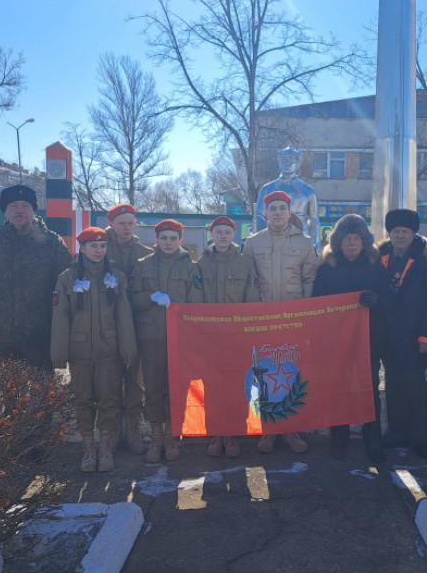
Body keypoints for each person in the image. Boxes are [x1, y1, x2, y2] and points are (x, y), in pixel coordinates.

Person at [51, 227, 138, 473]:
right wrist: (58, 355)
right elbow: (60, 318)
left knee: (110, 400)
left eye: (102, 246)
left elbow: (124, 317)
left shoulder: (116, 277)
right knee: (82, 400)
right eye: (93, 246)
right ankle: (89, 448)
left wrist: (128, 350)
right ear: (82, 248)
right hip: (79, 353)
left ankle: (106, 448)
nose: (98, 251)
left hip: (109, 351)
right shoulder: (67, 278)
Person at [242, 190, 320, 453]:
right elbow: (245, 280)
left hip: (292, 321)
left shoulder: (305, 243)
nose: (277, 212)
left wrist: (307, 312)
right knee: (262, 374)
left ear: (290, 212)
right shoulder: (252, 243)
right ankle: (268, 430)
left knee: (290, 373)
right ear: (265, 213)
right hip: (261, 321)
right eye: (272, 208)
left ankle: (291, 430)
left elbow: (310, 278)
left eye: (281, 208)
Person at [312, 214, 392, 463]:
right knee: (338, 391)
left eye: (357, 238)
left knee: (369, 391)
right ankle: (340, 439)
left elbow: (391, 302)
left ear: (364, 241)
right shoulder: (327, 269)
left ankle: (373, 441)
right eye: (347, 238)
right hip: (336, 343)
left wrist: (377, 301)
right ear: (339, 242)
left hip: (368, 340)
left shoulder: (375, 266)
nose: (352, 244)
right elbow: (317, 305)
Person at [0, 184, 71, 371]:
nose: (20, 210)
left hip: (42, 335)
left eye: (25, 205)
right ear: (5, 211)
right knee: (10, 393)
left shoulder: (52, 242)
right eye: (13, 205)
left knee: (44, 394)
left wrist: (67, 329)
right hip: (5, 337)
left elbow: (67, 287)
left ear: (33, 209)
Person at [130, 219, 203, 463]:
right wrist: (151, 296)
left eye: (173, 238)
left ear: (181, 241)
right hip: (151, 337)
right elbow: (133, 300)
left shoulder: (192, 267)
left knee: (176, 387)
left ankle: (172, 437)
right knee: (153, 388)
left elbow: (197, 303)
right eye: (164, 238)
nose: (169, 243)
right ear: (156, 240)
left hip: (179, 338)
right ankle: (156, 438)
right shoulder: (143, 265)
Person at [377, 208, 427, 458]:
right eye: (395, 232)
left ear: (413, 233)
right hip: (389, 335)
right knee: (393, 385)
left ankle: (420, 437)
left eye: (404, 231)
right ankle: (397, 433)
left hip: (414, 335)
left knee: (415, 386)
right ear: (390, 234)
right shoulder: (382, 256)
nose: (400, 236)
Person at [197, 215, 259, 458]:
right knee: (211, 386)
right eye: (219, 232)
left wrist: (246, 331)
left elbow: (252, 297)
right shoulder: (200, 264)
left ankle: (233, 433)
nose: (223, 236)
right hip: (209, 336)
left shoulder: (245, 263)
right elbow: (195, 297)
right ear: (212, 234)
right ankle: (216, 434)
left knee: (235, 385)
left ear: (234, 235)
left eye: (228, 232)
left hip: (236, 335)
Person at [105, 203, 153, 455]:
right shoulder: (99, 247)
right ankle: (111, 433)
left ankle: (134, 429)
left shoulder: (145, 253)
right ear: (111, 223)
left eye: (131, 223)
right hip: (105, 325)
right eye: (121, 222)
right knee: (109, 380)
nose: (126, 227)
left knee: (135, 381)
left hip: (136, 324)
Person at [255, 149, 321, 250]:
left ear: (298, 164)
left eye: (291, 160)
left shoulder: (308, 191)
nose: (287, 163)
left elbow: (314, 221)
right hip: (273, 242)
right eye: (284, 160)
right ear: (279, 163)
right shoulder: (267, 189)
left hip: (301, 241)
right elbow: (259, 217)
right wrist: (259, 243)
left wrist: (316, 248)